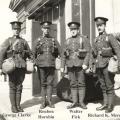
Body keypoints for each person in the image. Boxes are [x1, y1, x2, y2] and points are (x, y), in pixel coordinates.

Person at [0, 21, 33, 113]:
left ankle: (18, 106)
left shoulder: (24, 41)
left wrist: (31, 59)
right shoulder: (9, 40)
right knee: (12, 87)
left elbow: (30, 53)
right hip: (11, 67)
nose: (16, 31)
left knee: (19, 87)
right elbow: (1, 53)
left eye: (18, 29)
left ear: (20, 30)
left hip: (21, 66)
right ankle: (13, 107)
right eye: (15, 29)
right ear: (12, 30)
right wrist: (1, 67)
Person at [92, 17, 120, 113]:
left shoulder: (110, 37)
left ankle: (110, 105)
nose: (99, 27)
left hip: (108, 65)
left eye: (101, 25)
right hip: (99, 65)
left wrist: (119, 63)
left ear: (104, 25)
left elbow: (117, 50)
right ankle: (105, 104)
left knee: (109, 85)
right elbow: (94, 53)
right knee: (103, 86)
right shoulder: (96, 39)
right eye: (98, 26)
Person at [61, 22, 91, 109]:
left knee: (81, 83)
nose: (73, 31)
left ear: (78, 30)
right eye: (71, 29)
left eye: (74, 29)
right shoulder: (67, 41)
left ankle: (81, 102)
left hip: (80, 65)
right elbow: (64, 55)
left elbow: (88, 52)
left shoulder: (83, 39)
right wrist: (62, 66)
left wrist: (85, 63)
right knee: (72, 83)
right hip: (70, 65)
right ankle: (74, 102)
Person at [34, 21, 62, 109]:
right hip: (41, 65)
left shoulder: (53, 40)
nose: (46, 30)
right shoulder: (38, 40)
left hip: (51, 64)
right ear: (42, 29)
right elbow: (32, 53)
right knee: (43, 84)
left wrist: (60, 61)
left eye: (47, 28)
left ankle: (49, 101)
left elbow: (61, 52)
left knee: (50, 83)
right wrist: (35, 63)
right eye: (44, 28)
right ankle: (43, 102)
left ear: (49, 29)